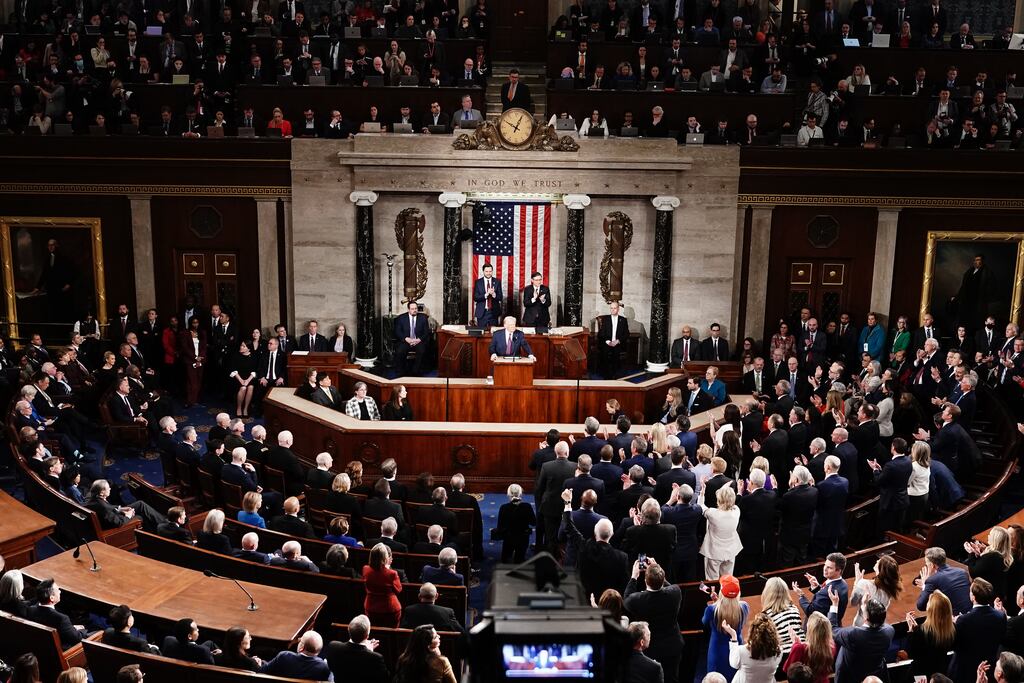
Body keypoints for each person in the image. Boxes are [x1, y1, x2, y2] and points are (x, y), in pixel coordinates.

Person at [624, 558, 683, 683]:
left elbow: (626, 599)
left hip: (651, 648)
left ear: (645, 581)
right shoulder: (676, 592)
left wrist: (634, 577)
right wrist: (657, 569)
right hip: (672, 645)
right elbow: (668, 585)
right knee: (672, 678)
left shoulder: (637, 599)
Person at [950, 578, 1007, 683]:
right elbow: (1002, 639)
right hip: (990, 669)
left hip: (965, 671)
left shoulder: (963, 620)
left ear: (973, 597)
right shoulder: (1001, 616)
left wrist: (954, 624)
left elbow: (954, 645)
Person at [828, 594, 894, 683]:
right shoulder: (889, 631)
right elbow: (878, 622)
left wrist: (835, 604)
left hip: (850, 678)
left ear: (866, 618)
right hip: (875, 675)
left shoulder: (853, 634)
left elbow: (833, 629)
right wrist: (866, 605)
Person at [703, 575, 749, 680]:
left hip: (717, 650)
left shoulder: (711, 609)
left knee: (715, 679)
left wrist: (716, 603)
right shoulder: (744, 607)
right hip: (737, 648)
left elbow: (704, 622)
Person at [905, 589, 955, 678]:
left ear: (931, 610)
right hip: (941, 673)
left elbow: (911, 653)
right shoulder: (952, 629)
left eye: (928, 602)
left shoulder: (920, 631)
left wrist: (911, 631)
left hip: (921, 675)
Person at [85, 479, 166, 533]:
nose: (110, 489)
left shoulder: (91, 496)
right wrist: (128, 516)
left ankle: (162, 523)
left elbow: (108, 508)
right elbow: (119, 523)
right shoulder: (103, 508)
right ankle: (165, 527)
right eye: (108, 488)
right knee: (139, 517)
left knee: (140, 504)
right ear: (102, 493)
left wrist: (120, 509)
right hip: (114, 527)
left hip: (112, 515)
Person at [324, 615, 389, 683]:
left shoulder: (333, 647)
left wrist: (367, 651)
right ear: (367, 636)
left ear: (349, 630)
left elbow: (331, 667)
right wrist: (369, 652)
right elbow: (385, 679)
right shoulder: (376, 658)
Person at [699, 483, 742, 579]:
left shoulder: (712, 513)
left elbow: (701, 506)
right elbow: (729, 501)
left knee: (712, 580)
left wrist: (702, 494)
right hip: (731, 551)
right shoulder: (736, 511)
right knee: (727, 579)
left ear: (719, 500)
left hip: (714, 552)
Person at [726, 611, 783, 683]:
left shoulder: (742, 651)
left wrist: (734, 638)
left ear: (752, 632)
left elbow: (734, 664)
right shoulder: (779, 652)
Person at [917, 546, 973, 615]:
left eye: (926, 563)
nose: (926, 565)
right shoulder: (962, 572)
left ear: (932, 565)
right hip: (972, 613)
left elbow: (921, 606)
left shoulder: (932, 580)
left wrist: (924, 585)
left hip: (956, 619)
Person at [850, 555, 903, 626]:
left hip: (861, 626)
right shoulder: (890, 588)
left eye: (879, 561)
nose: (877, 560)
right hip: (879, 626)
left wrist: (857, 583)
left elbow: (853, 602)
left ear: (881, 569)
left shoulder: (863, 583)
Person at [964, 527, 1013, 602]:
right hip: (1001, 595)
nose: (988, 536)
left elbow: (973, 572)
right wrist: (981, 553)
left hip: (989, 597)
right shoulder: (1005, 555)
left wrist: (971, 553)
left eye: (990, 535)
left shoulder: (992, 556)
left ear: (995, 539)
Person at [784, 611, 835, 683]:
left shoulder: (799, 648)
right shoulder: (832, 646)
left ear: (810, 630)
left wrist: (795, 645)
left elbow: (788, 671)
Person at [260, 631, 331, 680]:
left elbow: (264, 670)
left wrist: (260, 662)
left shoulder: (284, 656)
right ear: (318, 652)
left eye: (300, 640)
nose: (298, 641)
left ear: (301, 648)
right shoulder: (324, 667)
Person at [363, 542, 402, 627]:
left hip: (370, 606)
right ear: (385, 558)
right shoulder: (392, 573)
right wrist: (387, 568)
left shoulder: (365, 569)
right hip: (390, 608)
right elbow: (398, 590)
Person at [495, 483, 535, 563]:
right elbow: (533, 522)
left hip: (509, 538)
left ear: (508, 494)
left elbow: (500, 527)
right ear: (521, 493)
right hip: (523, 538)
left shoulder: (504, 508)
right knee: (520, 559)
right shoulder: (527, 506)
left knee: (505, 559)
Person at [394, 301, 429, 376]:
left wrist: (418, 339)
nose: (415, 310)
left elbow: (426, 332)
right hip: (406, 340)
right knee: (400, 351)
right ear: (408, 309)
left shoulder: (423, 318)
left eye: (416, 308)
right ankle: (401, 372)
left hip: (418, 340)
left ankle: (415, 372)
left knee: (422, 351)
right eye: (412, 309)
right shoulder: (401, 318)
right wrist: (406, 339)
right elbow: (397, 331)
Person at [597, 301, 629, 378]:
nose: (613, 310)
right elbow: (601, 333)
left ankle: (615, 374)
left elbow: (626, 334)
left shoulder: (623, 320)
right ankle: (607, 375)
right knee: (604, 353)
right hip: (607, 343)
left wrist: (617, 341)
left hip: (617, 343)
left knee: (616, 354)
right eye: (611, 308)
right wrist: (608, 342)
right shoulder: (605, 319)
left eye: (615, 308)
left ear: (618, 309)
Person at [473, 263, 502, 328]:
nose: (488, 273)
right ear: (483, 271)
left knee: (494, 334)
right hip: (482, 313)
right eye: (486, 271)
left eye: (490, 271)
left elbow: (500, 297)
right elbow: (475, 297)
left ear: (492, 271)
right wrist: (486, 294)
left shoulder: (497, 281)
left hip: (493, 312)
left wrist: (494, 294)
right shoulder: (478, 282)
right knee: (481, 334)